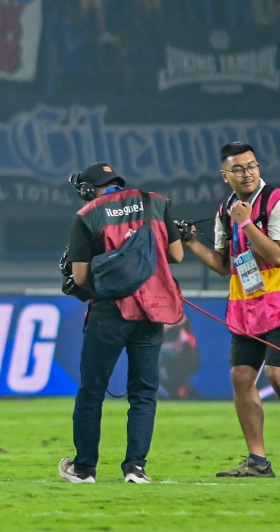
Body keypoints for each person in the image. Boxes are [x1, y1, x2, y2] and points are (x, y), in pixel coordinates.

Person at [183, 141, 280, 478]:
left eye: (251, 166)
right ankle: (257, 461)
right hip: (251, 301)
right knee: (241, 376)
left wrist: (246, 224)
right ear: (224, 175)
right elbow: (224, 265)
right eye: (238, 169)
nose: (247, 173)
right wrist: (191, 242)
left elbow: (279, 256)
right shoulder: (225, 210)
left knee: (277, 373)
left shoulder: (278, 202)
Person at [59, 162, 184, 484]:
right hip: (152, 311)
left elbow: (81, 277)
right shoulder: (155, 203)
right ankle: (135, 468)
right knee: (143, 393)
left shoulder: (87, 214)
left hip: (109, 313)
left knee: (91, 392)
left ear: (87, 189)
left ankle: (85, 468)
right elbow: (176, 255)